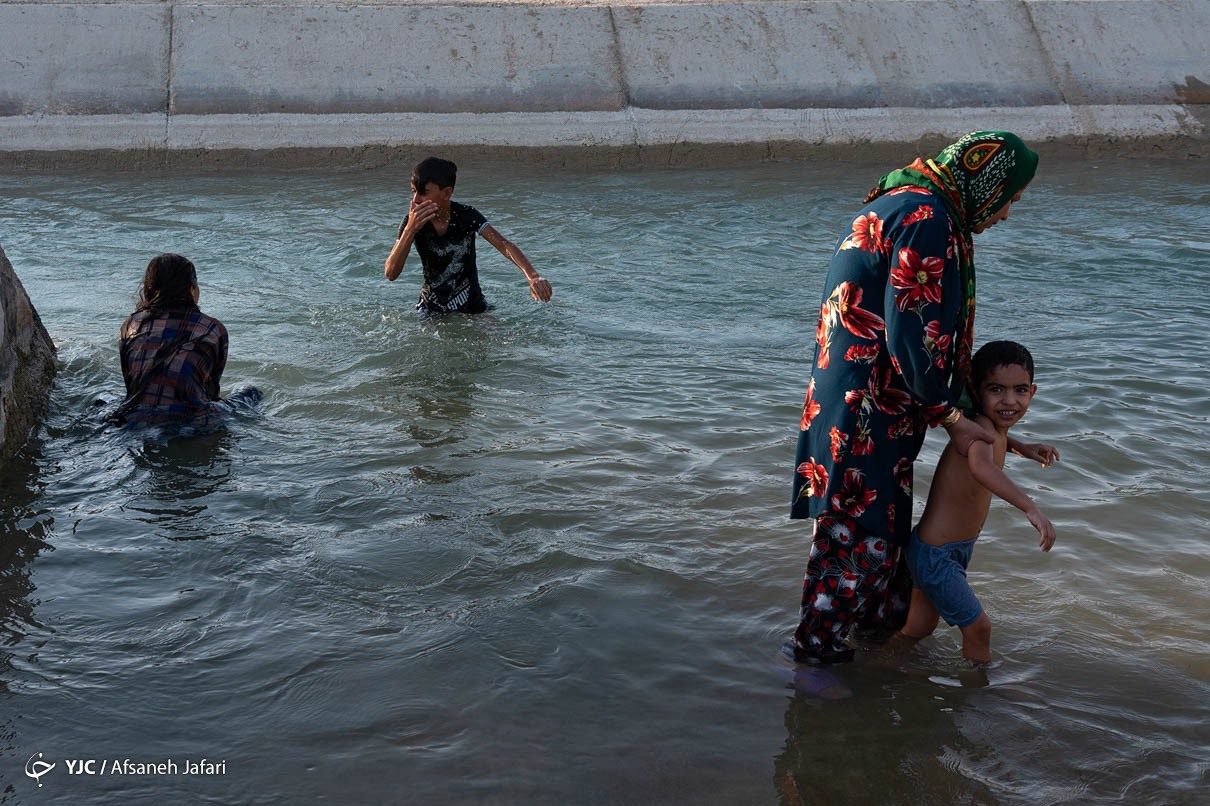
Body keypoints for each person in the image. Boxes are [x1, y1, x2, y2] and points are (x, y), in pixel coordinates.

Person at [789, 131, 1049, 664]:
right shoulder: (928, 218)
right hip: (866, 414)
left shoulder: (902, 200)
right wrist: (952, 415)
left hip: (851, 404)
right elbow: (910, 332)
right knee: (855, 545)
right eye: (1010, 200)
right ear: (987, 184)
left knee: (872, 546)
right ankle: (812, 672)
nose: (1005, 215)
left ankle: (871, 676)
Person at [895, 340, 1058, 665]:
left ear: (1033, 392)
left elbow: (996, 442)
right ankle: (979, 691)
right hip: (937, 555)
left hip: (940, 549)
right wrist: (1030, 506)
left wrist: (1020, 447)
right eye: (996, 390)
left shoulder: (990, 429)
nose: (1009, 401)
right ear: (975, 390)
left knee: (918, 628)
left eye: (1020, 390)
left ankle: (880, 665)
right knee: (979, 628)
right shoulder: (980, 429)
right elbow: (981, 466)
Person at [384, 157, 553, 314]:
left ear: (446, 193)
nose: (416, 200)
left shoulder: (466, 216)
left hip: (473, 306)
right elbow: (391, 273)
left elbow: (504, 245)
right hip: (431, 309)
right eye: (413, 192)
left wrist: (533, 276)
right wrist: (410, 230)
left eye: (423, 193)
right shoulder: (411, 222)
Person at [114, 253, 258, 428]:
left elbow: (130, 386)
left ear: (148, 290)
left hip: (135, 417)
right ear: (191, 289)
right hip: (189, 422)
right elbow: (211, 392)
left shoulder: (131, 324)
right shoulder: (212, 328)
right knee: (250, 392)